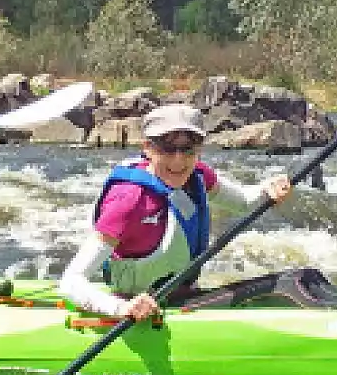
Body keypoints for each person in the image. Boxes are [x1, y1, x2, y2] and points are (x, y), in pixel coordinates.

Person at [59, 103, 300, 320]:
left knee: (300, 280)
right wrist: (122, 309)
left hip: (180, 299)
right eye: (167, 148)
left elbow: (245, 202)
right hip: (137, 308)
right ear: (148, 148)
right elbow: (70, 283)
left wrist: (268, 189)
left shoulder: (197, 176)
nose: (178, 160)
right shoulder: (128, 200)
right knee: (291, 290)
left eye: (188, 149)